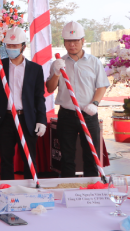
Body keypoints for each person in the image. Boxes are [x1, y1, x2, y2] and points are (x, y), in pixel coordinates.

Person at [46, 21, 109, 178]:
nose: (72, 44)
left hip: (89, 114)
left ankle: (92, 190)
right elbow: (50, 88)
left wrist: (95, 104)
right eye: (68, 41)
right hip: (67, 115)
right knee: (67, 158)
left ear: (83, 41)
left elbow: (101, 86)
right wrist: (57, 72)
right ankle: (69, 190)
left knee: (91, 155)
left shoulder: (94, 62)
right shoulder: (58, 63)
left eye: (75, 41)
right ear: (64, 42)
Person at [0, 27, 47, 180]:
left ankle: (31, 190)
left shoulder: (35, 69)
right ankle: (6, 191)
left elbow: (39, 97)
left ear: (23, 47)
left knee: (29, 158)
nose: (11, 49)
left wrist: (42, 120)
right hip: (5, 120)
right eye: (9, 46)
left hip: (27, 120)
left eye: (15, 46)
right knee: (6, 159)